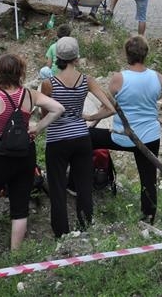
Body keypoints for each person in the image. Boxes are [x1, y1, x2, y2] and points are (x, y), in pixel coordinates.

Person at [0, 54, 64, 265]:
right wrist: (37, 127)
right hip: (25, 154)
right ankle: (16, 257)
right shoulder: (30, 94)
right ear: (21, 72)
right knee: (19, 206)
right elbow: (58, 108)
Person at [88, 36, 162, 224]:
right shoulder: (157, 77)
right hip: (149, 137)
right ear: (146, 54)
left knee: (86, 137)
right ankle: (148, 219)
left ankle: (85, 182)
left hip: (122, 137)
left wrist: (92, 123)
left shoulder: (119, 78)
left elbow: (107, 107)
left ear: (127, 54)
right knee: (148, 179)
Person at [40, 37, 116, 238]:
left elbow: (44, 115)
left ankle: (62, 233)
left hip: (57, 140)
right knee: (84, 186)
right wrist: (90, 117)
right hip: (81, 137)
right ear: (76, 57)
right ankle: (85, 227)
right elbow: (110, 108)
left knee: (57, 187)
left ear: (57, 57)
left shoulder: (48, 84)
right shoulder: (86, 80)